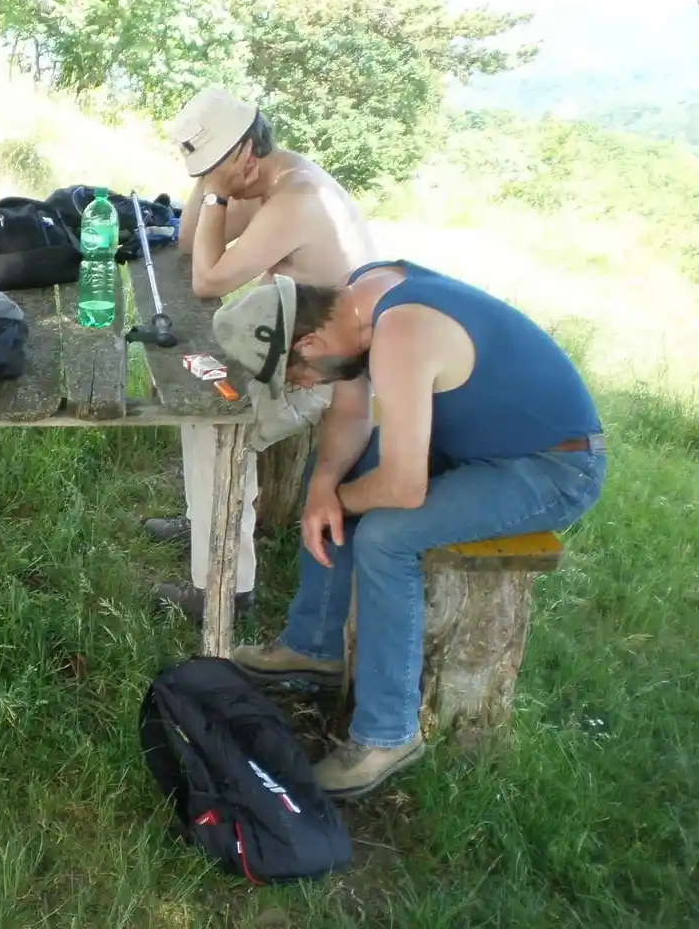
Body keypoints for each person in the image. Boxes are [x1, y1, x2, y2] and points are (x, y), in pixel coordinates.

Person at [210, 260, 607, 799]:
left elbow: (403, 488)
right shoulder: (363, 297)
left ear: (306, 342)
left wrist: (336, 506)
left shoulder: (401, 330)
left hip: (550, 467)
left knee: (386, 538)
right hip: (475, 443)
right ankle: (317, 646)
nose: (304, 385)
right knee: (336, 475)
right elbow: (350, 416)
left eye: (296, 374)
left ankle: (386, 734)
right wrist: (326, 487)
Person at [146, 85, 376, 621]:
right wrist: (212, 185)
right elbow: (188, 241)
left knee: (214, 420)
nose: (206, 181)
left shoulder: (297, 198)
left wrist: (221, 197)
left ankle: (225, 588)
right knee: (194, 387)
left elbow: (207, 279)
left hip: (321, 375)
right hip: (289, 349)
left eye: (214, 166)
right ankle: (203, 523)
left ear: (246, 154)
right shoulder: (276, 177)